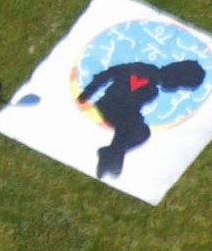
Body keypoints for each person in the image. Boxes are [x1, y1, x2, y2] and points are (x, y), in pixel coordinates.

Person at [77, 58, 205, 179]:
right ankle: (110, 155)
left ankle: (112, 156)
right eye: (180, 85)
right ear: (176, 76)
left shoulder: (149, 79)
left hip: (121, 111)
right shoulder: (145, 76)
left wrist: (87, 93)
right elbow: (110, 73)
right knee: (140, 132)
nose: (176, 88)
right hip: (112, 107)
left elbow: (110, 74)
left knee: (132, 131)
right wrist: (87, 93)